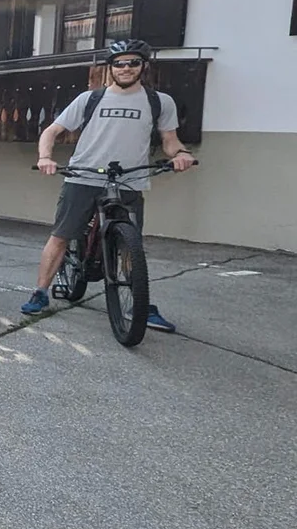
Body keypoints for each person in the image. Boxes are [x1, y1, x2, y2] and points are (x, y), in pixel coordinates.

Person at [21, 39, 195, 329]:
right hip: (83, 177)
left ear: (143, 66)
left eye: (133, 63)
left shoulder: (159, 102)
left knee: (131, 245)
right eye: (120, 63)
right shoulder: (90, 98)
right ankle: (40, 292)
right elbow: (52, 131)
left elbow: (170, 140)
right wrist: (45, 157)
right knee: (62, 234)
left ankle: (139, 303)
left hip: (129, 180)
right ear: (111, 68)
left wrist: (182, 154)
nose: (126, 68)